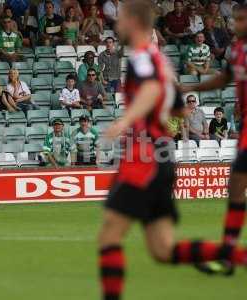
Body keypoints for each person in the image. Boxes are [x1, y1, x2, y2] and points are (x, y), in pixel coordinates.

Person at [99, 2, 247, 300]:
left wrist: (127, 120)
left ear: (133, 21)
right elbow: (176, 106)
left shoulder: (143, 57)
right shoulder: (160, 60)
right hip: (162, 156)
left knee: (109, 236)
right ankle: (238, 256)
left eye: (120, 19)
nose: (115, 24)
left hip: (145, 158)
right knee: (162, 250)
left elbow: (152, 89)